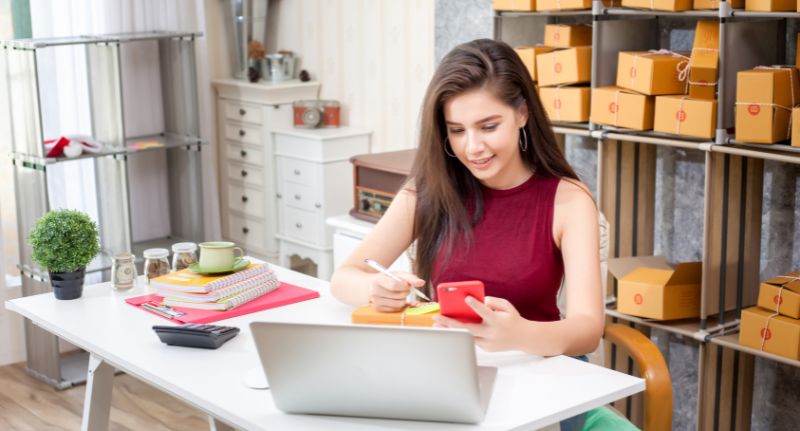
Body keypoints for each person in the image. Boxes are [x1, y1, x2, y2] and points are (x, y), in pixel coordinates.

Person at [329, 38, 603, 359]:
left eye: (488, 126)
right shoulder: (430, 189)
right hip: (450, 366)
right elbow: (344, 278)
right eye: (457, 131)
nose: (472, 147)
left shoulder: (569, 201)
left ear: (522, 114)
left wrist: (519, 334)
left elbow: (588, 330)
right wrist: (374, 290)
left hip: (536, 368)